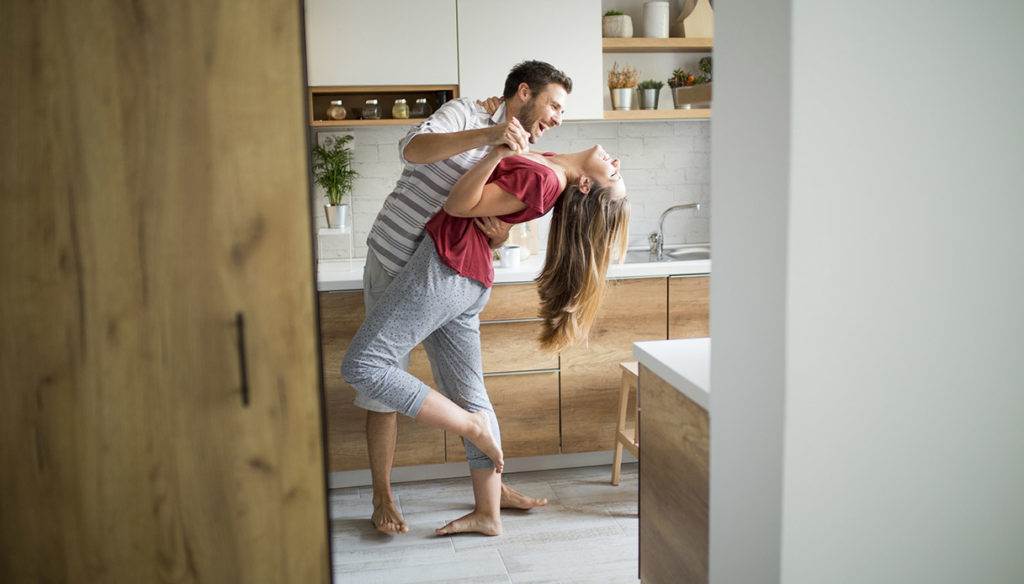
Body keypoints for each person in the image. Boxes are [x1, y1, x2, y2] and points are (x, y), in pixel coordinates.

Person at [342, 142, 630, 536]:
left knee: (363, 365)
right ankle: (488, 512)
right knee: (470, 392)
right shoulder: (551, 164)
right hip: (469, 277)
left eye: (613, 174)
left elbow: (460, 204)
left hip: (447, 268)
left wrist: (496, 151)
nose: (615, 162)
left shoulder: (547, 176)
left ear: (584, 186)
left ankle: (470, 426)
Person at [353, 61, 573, 534]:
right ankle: (382, 495)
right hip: (395, 260)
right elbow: (411, 149)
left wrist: (496, 238)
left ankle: (493, 491)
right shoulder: (465, 112)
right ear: (523, 92)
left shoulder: (524, 152)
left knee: (469, 388)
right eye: (553, 105)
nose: (557, 117)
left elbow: (493, 221)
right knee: (378, 383)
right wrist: (487, 138)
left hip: (445, 275)